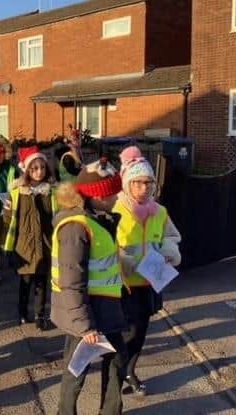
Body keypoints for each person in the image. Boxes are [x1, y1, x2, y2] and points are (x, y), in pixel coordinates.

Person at [50, 158, 128, 415]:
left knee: (117, 360)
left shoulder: (95, 219)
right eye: (112, 193)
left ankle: (111, 410)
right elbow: (71, 281)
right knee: (76, 369)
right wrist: (85, 326)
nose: (117, 197)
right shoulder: (75, 227)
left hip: (105, 306)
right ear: (96, 197)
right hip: (86, 312)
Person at [113, 146, 182, 397]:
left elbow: (173, 236)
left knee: (140, 332)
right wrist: (124, 259)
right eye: (138, 183)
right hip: (124, 284)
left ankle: (130, 371)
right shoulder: (115, 211)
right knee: (125, 334)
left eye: (149, 184)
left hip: (150, 283)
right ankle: (116, 377)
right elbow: (106, 246)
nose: (144, 189)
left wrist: (167, 250)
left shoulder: (159, 212)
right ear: (127, 183)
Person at [3, 146, 57, 330]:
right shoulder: (18, 192)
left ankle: (40, 315)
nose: (39, 172)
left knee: (42, 283)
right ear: (26, 170)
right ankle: (22, 312)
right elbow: (9, 218)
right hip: (24, 245)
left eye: (42, 167)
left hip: (45, 243)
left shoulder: (51, 192)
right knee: (25, 283)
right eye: (34, 168)